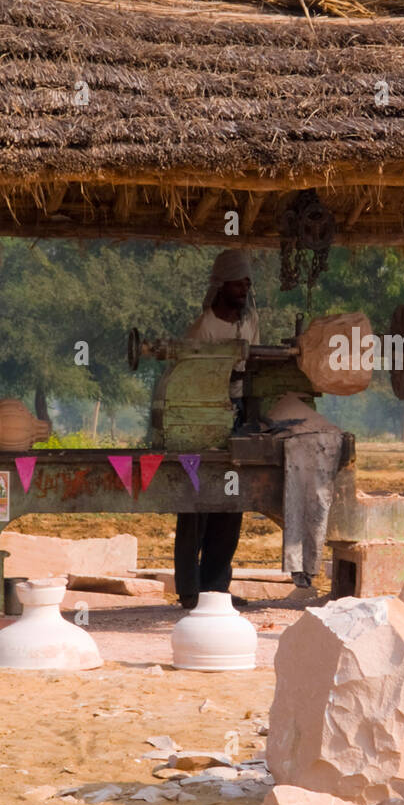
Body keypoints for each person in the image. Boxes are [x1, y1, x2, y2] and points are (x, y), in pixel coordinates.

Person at [173, 248, 260, 609]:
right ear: (221, 285)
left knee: (230, 500)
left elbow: (256, 368)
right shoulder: (203, 327)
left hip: (238, 413)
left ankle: (216, 589)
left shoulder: (251, 322)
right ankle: (190, 590)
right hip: (202, 417)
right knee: (197, 503)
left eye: (247, 282)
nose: (244, 289)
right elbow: (189, 376)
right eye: (238, 283)